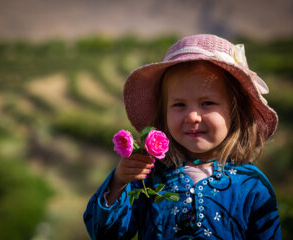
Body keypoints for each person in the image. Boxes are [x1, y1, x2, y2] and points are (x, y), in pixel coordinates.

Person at [83, 34, 282, 239]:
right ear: (164, 113)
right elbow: (105, 234)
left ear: (235, 111)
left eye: (207, 103)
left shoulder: (252, 185)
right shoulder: (149, 177)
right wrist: (119, 182)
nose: (192, 116)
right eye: (179, 105)